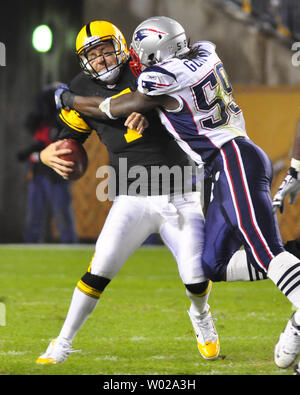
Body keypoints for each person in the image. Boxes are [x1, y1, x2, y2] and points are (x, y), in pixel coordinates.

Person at [58, 16, 300, 370]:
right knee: (212, 265)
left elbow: (115, 107)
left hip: (231, 157)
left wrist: (67, 98)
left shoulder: (158, 78)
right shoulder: (206, 51)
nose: (138, 58)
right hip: (220, 168)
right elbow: (174, 85)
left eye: (144, 50)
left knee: (264, 250)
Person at [36, 21, 220, 365]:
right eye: (94, 54)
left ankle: (201, 316)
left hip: (181, 190)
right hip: (132, 196)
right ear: (84, 60)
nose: (103, 59)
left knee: (196, 275)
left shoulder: (150, 68)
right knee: (99, 268)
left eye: (107, 50)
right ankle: (61, 342)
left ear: (123, 47)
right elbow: (70, 138)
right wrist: (49, 152)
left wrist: (153, 117)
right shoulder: (82, 87)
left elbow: (181, 113)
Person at [17, 84, 78, 243]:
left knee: (61, 212)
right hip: (37, 172)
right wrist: (32, 152)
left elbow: (52, 144)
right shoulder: (38, 121)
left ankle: (69, 245)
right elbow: (38, 142)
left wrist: (33, 151)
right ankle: (31, 244)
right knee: (35, 213)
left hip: (56, 172)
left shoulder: (62, 121)